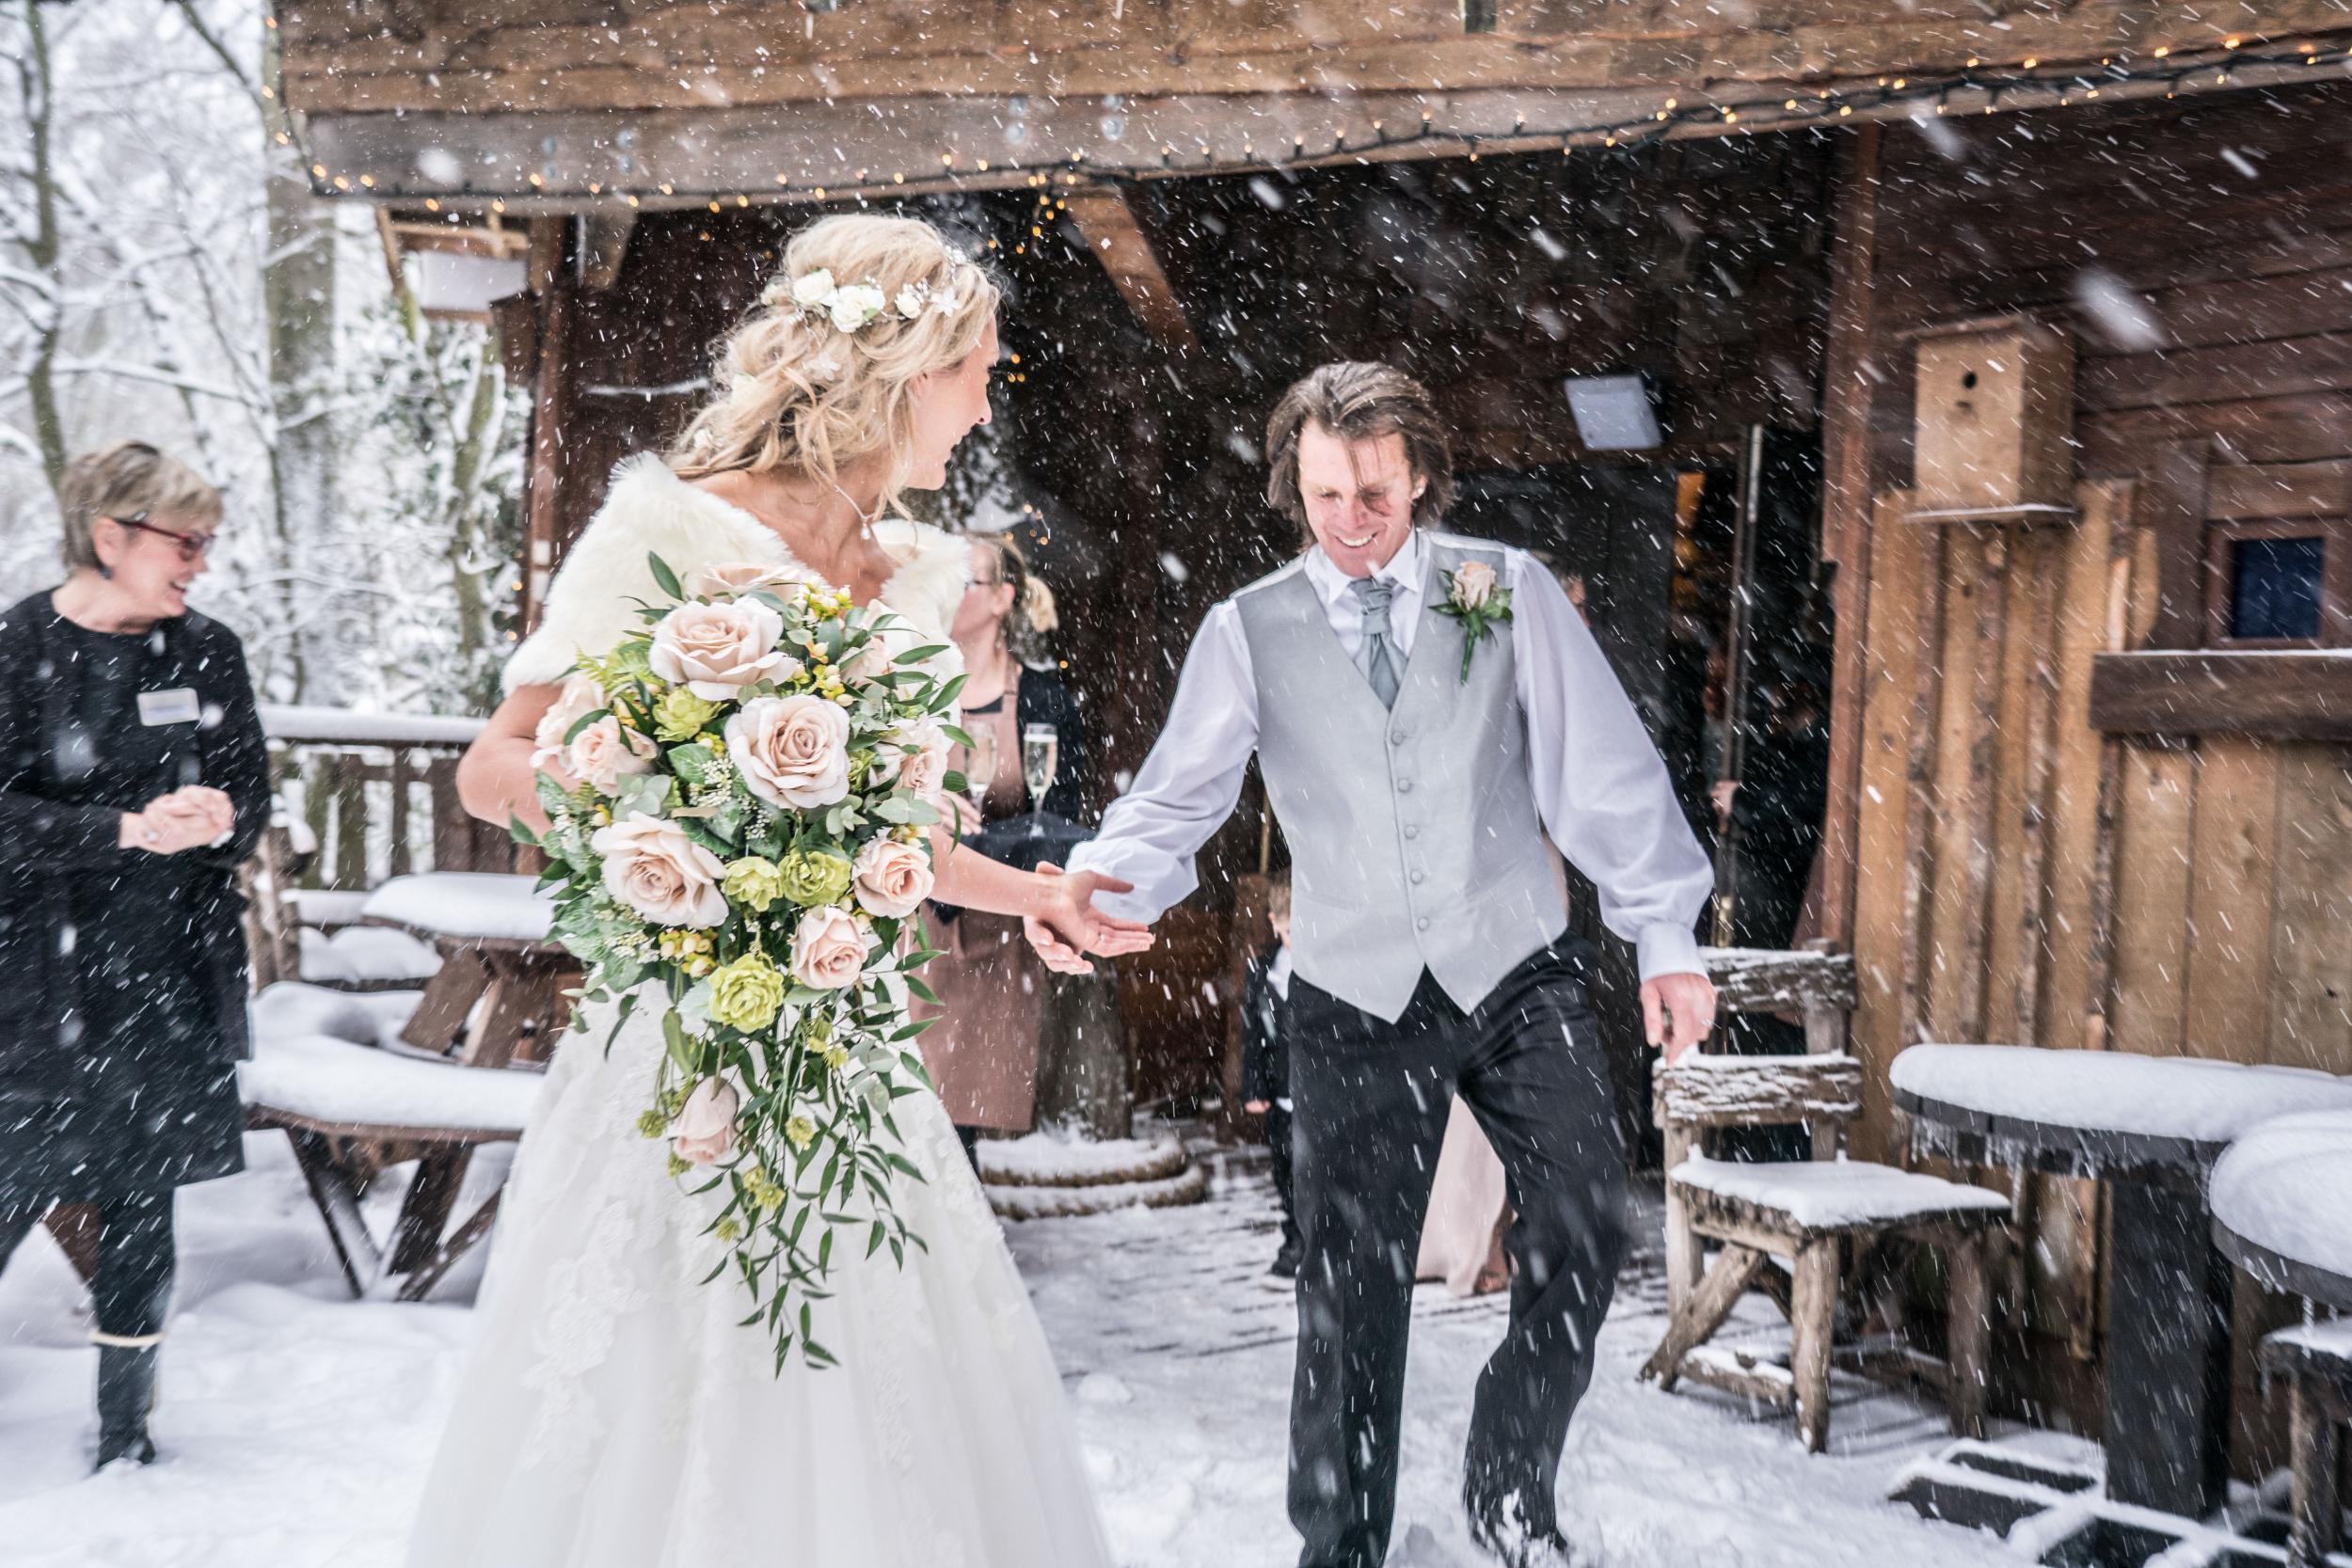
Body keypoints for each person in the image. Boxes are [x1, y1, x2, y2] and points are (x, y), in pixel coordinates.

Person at [407, 215, 1145, 1568]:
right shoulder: (663, 530)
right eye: (977, 363)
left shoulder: (917, 575)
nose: (990, 393)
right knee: (675, 1395)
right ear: (903, 366)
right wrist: (686, 835)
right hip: (679, 1058)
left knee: (879, 1404)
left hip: (855, 1062)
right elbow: (492, 765)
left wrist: (1031, 891)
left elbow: (896, 841)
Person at [1049, 362, 1718, 1568]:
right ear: (1292, 485)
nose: (1351, 523)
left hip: (1516, 968)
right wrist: (1099, 885)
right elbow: (1176, 796)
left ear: (1420, 475)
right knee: (1349, 1290)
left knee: (1582, 1222)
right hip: (1351, 992)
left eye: (1373, 494)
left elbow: (1605, 772)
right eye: (1323, 497)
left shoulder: (1501, 591)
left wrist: (1662, 933)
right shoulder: (1246, 627)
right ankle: (1342, 1544)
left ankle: (1512, 1490)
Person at [0, 441, 269, 1469]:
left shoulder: (208, 652)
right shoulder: (16, 647)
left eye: (208, 541)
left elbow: (253, 797)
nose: (201, 561)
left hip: (166, 968)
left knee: (140, 1197)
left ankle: (126, 1432)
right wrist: (115, 830)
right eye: (185, 540)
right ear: (110, 537)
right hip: (34, 977)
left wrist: (219, 812)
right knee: (9, 1184)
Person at [920, 531, 1086, 1168]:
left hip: (1001, 933)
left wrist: (996, 842)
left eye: (964, 580)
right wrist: (923, 806)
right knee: (918, 1109)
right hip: (922, 929)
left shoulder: (1044, 698)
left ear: (1001, 599)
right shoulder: (909, 690)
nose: (946, 592)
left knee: (963, 1118)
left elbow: (1064, 821)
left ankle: (959, 1250)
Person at [1240, 873, 1299, 1278]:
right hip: (1282, 1091)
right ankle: (1294, 1238)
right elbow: (1253, 1035)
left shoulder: (1326, 969)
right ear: (1274, 921)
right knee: (1285, 1171)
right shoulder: (1263, 971)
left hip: (1323, 1093)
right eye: (1291, 929)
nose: (1299, 938)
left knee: (1320, 1174)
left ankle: (1319, 1243)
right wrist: (1254, 1085)